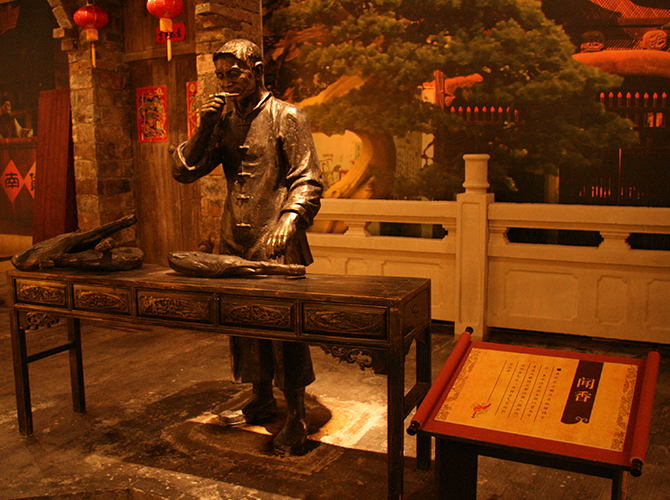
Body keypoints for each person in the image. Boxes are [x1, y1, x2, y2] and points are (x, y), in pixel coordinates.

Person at [171, 39, 323, 454]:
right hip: (234, 239)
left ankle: (296, 413)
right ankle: (260, 397)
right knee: (243, 324)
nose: (227, 81)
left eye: (234, 73)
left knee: (286, 329)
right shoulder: (223, 121)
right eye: (221, 75)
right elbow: (184, 171)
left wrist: (288, 221)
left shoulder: (287, 116)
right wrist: (203, 126)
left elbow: (308, 178)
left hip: (275, 238)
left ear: (256, 70)